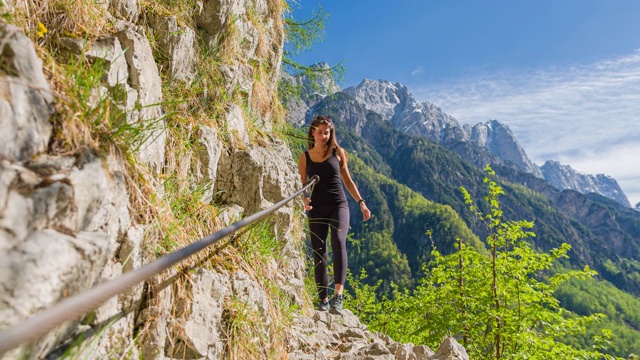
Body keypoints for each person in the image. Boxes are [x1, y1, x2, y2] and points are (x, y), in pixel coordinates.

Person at [297, 115, 371, 314]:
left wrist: (361, 202)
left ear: (331, 134)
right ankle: (323, 299)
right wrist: (304, 199)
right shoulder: (304, 156)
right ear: (313, 132)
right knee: (319, 251)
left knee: (338, 241)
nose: (323, 136)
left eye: (326, 133)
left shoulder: (338, 152)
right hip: (316, 208)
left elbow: (347, 180)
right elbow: (302, 185)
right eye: (319, 132)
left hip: (339, 205)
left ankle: (338, 296)